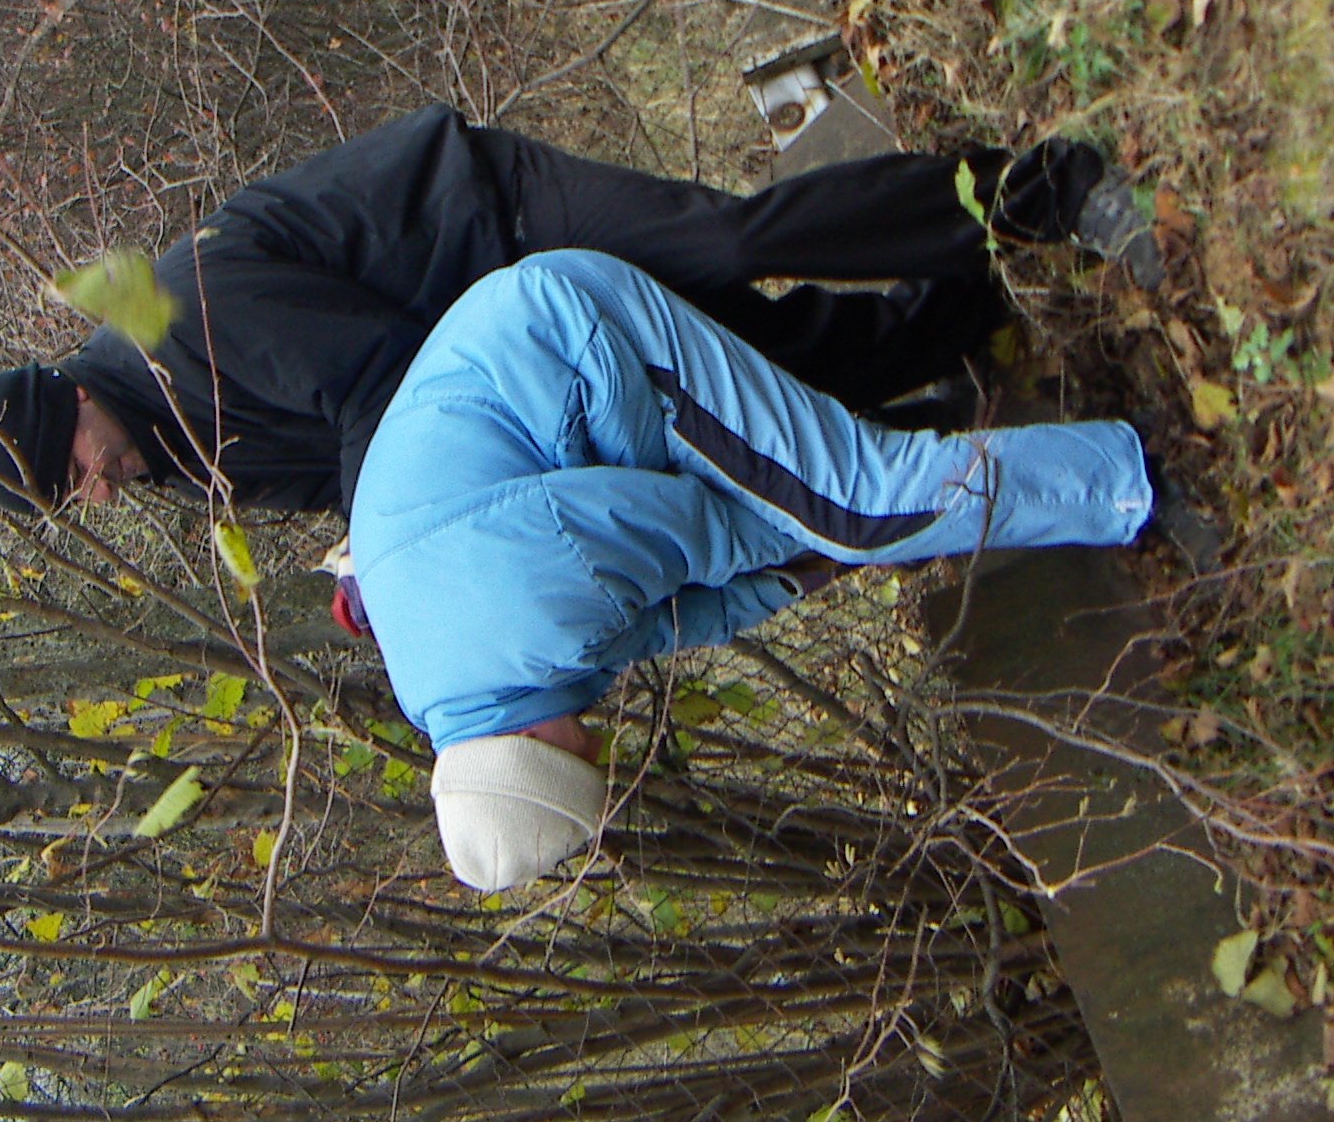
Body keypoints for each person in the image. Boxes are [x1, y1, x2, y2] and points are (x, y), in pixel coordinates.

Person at [346, 250, 1153, 893]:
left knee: (860, 508)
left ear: (526, 752)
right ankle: (1071, 463)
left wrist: (820, 541)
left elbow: (683, 525)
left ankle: (1130, 481)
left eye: (577, 759)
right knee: (835, 526)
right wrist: (794, 576)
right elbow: (674, 619)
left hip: (581, 343)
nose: (595, 747)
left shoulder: (519, 621)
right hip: (571, 406)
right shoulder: (480, 686)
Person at [0, 106, 1106, 515]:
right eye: (76, 499)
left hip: (489, 219)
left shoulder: (178, 317)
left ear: (71, 401)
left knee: (731, 243)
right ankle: (970, 303)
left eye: (76, 471)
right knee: (756, 375)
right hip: (516, 330)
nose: (99, 491)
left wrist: (382, 543)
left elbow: (378, 376)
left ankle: (1038, 193)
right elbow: (345, 479)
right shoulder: (195, 461)